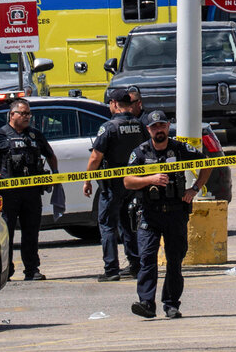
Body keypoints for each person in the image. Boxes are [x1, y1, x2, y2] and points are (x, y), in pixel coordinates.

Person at [124, 110, 209, 319]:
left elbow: (207, 163)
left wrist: (194, 189)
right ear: (148, 130)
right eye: (154, 127)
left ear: (168, 125)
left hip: (175, 214)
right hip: (149, 214)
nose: (158, 130)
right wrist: (150, 179)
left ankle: (171, 304)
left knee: (174, 261)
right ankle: (146, 303)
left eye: (162, 125)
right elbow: (127, 180)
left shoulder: (179, 149)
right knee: (147, 259)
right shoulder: (141, 152)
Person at [0, 98, 58, 281]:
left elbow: (50, 155)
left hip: (31, 193)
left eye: (29, 113)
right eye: (23, 113)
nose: (27, 117)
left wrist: (55, 174)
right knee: (6, 233)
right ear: (12, 115)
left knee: (31, 232)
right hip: (8, 194)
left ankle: (32, 269)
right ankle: (6, 271)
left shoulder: (34, 135)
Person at [82, 87, 147, 282]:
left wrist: (87, 179)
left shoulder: (109, 127)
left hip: (112, 184)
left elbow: (95, 157)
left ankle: (111, 269)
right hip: (134, 182)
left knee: (108, 225)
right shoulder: (139, 125)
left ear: (114, 104)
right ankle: (135, 265)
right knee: (128, 224)